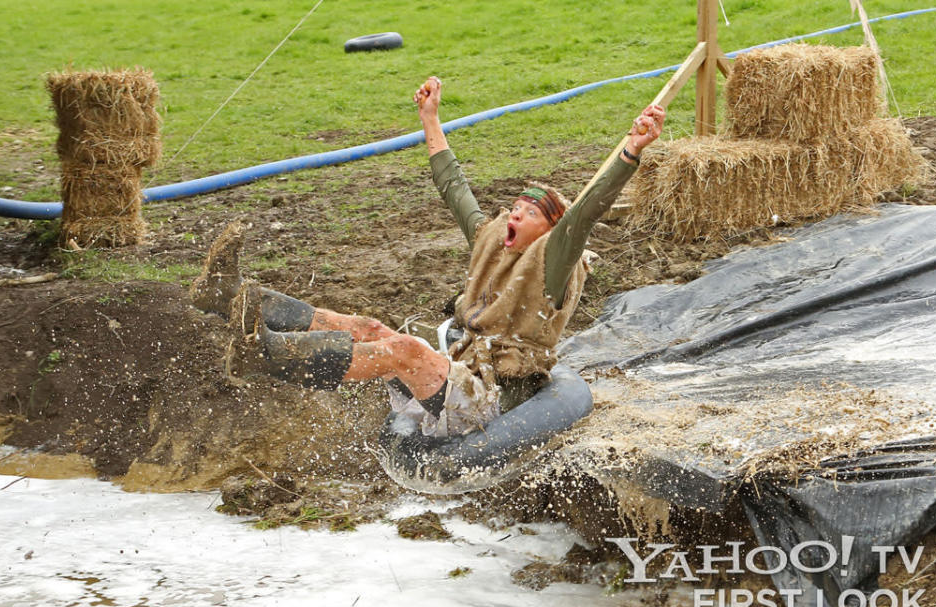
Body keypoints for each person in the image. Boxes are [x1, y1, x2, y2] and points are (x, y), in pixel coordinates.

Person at [190, 76, 664, 438]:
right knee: (370, 328)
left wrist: (632, 149)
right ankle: (241, 298)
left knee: (405, 349)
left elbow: (586, 212)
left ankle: (265, 354)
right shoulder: (494, 239)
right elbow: (454, 188)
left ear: (551, 231)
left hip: (495, 396)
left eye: (529, 212)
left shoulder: (556, 259)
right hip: (461, 365)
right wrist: (431, 120)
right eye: (515, 206)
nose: (515, 213)